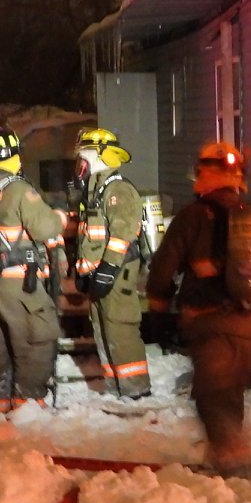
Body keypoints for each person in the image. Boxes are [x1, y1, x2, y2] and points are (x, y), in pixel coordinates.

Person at [144, 140, 251, 477]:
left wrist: (158, 309)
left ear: (203, 175)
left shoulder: (192, 218)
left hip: (209, 324)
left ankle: (237, 460)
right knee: (229, 396)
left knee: (212, 398)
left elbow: (162, 270)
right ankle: (227, 469)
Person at [0, 125, 68, 414]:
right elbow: (46, 228)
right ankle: (27, 414)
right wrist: (60, 215)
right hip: (18, 287)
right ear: (12, 156)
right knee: (34, 346)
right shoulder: (18, 189)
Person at [68, 125, 154, 405]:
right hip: (100, 276)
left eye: (83, 156)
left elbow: (123, 233)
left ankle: (136, 390)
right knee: (103, 330)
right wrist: (83, 271)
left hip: (117, 275)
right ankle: (118, 387)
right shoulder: (95, 190)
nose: (79, 163)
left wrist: (108, 269)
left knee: (121, 329)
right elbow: (88, 237)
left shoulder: (118, 190)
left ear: (98, 156)